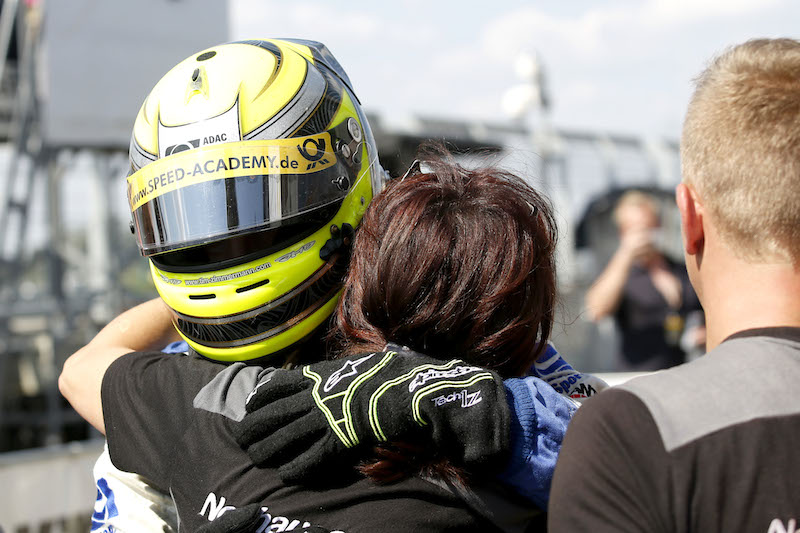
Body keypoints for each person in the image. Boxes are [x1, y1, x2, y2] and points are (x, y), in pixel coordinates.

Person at [59, 38, 596, 532]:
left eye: (255, 211)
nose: (225, 248)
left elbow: (86, 368)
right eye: (190, 229)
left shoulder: (199, 399)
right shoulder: (191, 385)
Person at [548, 37, 800, 532]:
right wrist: (627, 255)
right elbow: (596, 308)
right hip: (651, 381)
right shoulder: (624, 273)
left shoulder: (627, 440)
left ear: (687, 217)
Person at [584, 189, 704, 370]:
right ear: (623, 233)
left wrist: (705, 333)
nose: (643, 236)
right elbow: (595, 311)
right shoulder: (619, 273)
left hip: (683, 370)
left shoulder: (680, 269)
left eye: (648, 227)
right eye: (635, 229)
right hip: (637, 373)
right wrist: (626, 253)